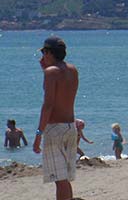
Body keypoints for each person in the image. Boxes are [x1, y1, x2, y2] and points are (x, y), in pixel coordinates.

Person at [33, 36, 79, 200]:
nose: (43, 57)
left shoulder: (51, 73)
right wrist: (45, 68)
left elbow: (48, 105)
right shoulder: (72, 70)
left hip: (55, 129)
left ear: (49, 52)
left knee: (59, 180)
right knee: (64, 178)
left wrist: (39, 133)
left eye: (44, 53)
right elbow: (63, 94)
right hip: (70, 127)